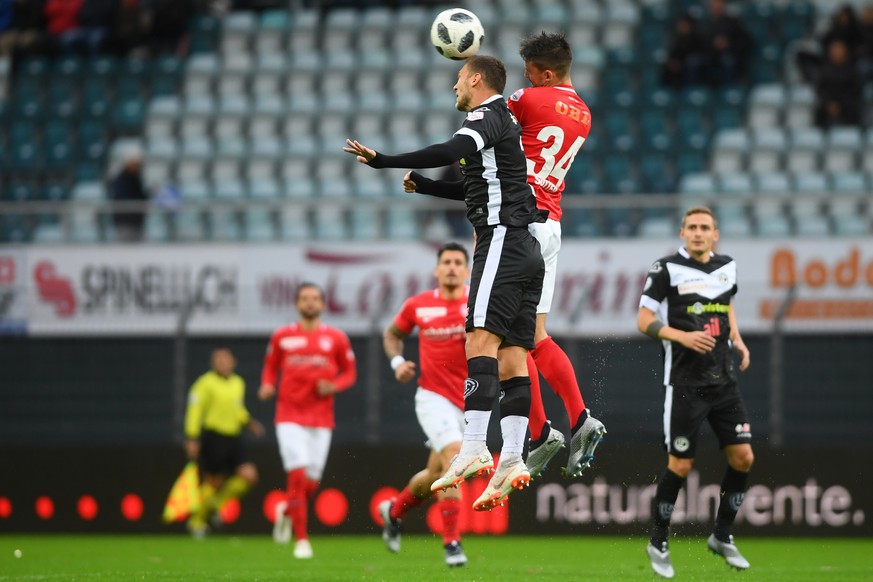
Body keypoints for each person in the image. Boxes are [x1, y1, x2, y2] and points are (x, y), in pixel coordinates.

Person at [344, 54, 546, 512]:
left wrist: (385, 161)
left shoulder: (486, 115)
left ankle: (473, 446)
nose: (454, 87)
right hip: (526, 248)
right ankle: (513, 456)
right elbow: (478, 186)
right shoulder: (504, 124)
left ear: (476, 80)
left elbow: (450, 151)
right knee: (513, 356)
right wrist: (426, 186)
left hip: (500, 241)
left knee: (478, 341)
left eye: (458, 78)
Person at [506, 31, 606, 481]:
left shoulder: (527, 99)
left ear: (545, 74)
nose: (526, 79)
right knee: (535, 335)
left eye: (530, 73)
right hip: (551, 224)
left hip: (521, 224)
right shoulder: (584, 112)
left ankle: (541, 431)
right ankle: (580, 416)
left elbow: (485, 126)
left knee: (507, 339)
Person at [637, 207, 754, 578]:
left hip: (724, 381)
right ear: (682, 233)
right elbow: (643, 320)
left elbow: (726, 305)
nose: (698, 233)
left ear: (715, 234)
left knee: (743, 458)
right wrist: (682, 336)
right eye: (692, 227)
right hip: (685, 383)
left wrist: (737, 339)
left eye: (705, 228)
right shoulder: (666, 269)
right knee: (681, 465)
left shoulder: (727, 266)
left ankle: (722, 535)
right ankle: (658, 541)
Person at [379, 241, 471, 567]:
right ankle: (452, 544)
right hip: (432, 398)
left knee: (435, 474)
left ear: (467, 271)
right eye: (446, 262)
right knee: (454, 459)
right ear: (437, 269)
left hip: (470, 402)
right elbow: (391, 334)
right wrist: (397, 363)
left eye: (458, 262)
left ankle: (393, 511)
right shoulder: (419, 304)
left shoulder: (478, 303)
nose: (451, 267)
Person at [259, 282, 357, 559]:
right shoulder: (282, 336)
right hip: (289, 416)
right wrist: (267, 385)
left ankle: (286, 510)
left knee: (310, 485)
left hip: (321, 419)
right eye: (305, 298)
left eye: (315, 298)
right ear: (297, 304)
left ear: (323, 304)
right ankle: (302, 540)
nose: (310, 302)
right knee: (297, 476)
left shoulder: (336, 338)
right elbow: (270, 367)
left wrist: (335, 386)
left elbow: (350, 373)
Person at [183, 347, 264, 538]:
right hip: (214, 437)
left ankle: (217, 505)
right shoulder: (204, 384)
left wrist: (249, 422)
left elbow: (237, 408)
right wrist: (192, 437)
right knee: (214, 482)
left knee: (249, 476)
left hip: (233, 438)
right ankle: (196, 521)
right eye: (218, 359)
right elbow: (194, 410)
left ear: (233, 362)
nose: (222, 363)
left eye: (225, 359)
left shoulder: (238, 383)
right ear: (213, 363)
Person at [813, 39, 863, 128]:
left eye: (839, 48)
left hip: (848, 106)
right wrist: (829, 103)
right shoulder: (824, 70)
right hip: (827, 106)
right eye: (834, 49)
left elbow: (855, 91)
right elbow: (820, 90)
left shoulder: (852, 70)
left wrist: (840, 105)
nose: (837, 52)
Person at [699, 0, 751, 86]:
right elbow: (699, 42)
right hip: (710, 55)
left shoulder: (734, 22)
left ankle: (730, 89)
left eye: (719, 4)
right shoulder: (704, 24)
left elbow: (745, 41)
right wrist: (713, 43)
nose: (717, 7)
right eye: (714, 5)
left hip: (730, 54)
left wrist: (728, 43)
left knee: (729, 61)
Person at [109, 143, 147, 242]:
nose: (136, 166)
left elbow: (140, 197)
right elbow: (123, 199)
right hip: (125, 223)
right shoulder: (121, 180)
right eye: (134, 163)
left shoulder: (136, 179)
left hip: (137, 223)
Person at [661, 12, 707, 88]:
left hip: (690, 67)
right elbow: (673, 54)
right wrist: (673, 62)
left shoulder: (697, 39)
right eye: (681, 25)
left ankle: (690, 89)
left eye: (685, 25)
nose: (683, 27)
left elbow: (700, 55)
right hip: (677, 67)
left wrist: (682, 64)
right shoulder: (677, 39)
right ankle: (667, 90)